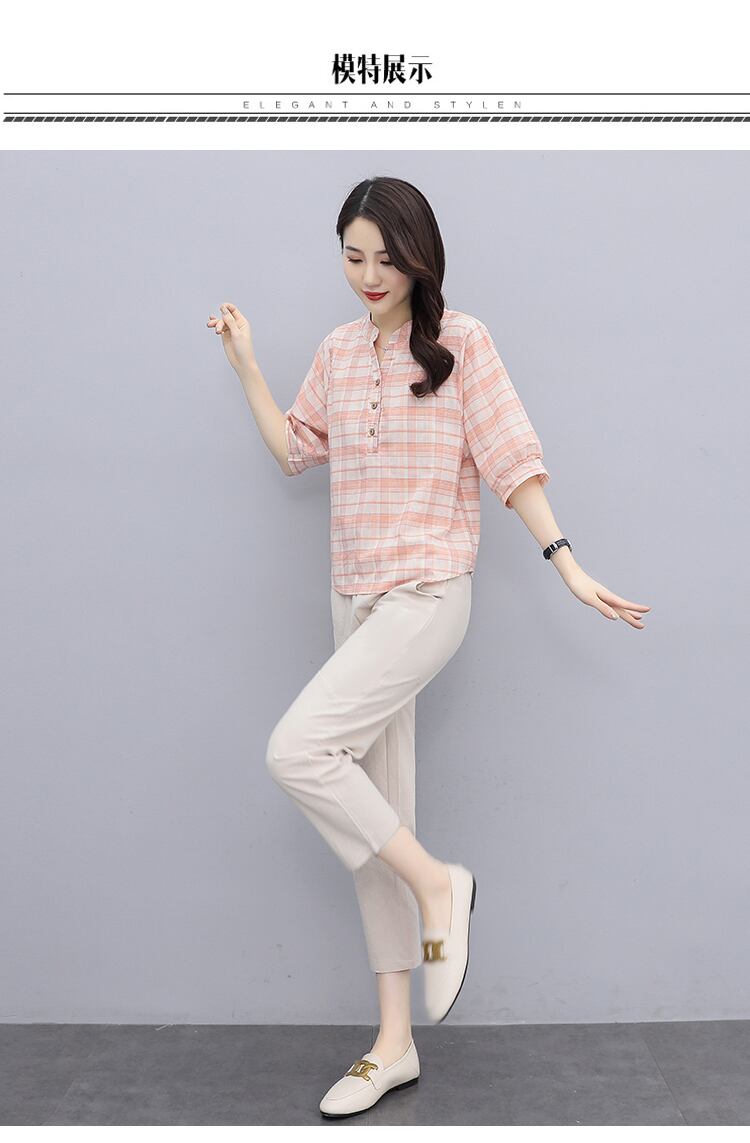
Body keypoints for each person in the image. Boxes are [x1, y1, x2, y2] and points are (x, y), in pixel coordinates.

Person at [206, 175, 651, 1118]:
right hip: (354, 596)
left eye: (387, 257)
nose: (370, 275)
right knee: (378, 808)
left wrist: (566, 562)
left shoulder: (462, 342)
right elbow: (296, 449)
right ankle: (393, 1043)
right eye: (353, 256)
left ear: (419, 256)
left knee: (298, 750)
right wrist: (246, 366)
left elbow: (511, 459)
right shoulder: (336, 351)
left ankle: (443, 887)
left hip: (428, 590)